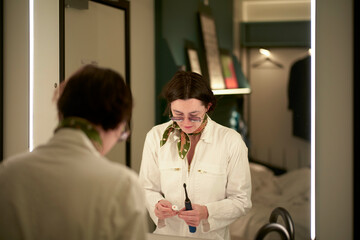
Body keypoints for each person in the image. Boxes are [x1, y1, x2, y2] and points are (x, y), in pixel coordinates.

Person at [0, 65, 148, 240]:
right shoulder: (123, 186)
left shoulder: (8, 172)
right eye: (121, 134)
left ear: (61, 112)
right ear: (116, 122)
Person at [139, 71, 252, 240]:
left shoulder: (231, 142)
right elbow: (147, 188)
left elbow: (242, 201)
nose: (185, 123)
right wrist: (157, 204)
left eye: (194, 116)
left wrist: (208, 212)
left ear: (208, 106)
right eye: (177, 114)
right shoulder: (155, 137)